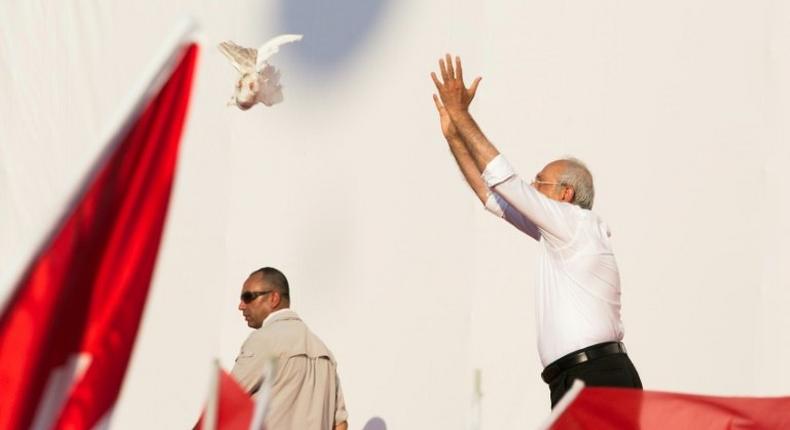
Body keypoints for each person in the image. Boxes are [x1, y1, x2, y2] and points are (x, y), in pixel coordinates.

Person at [431, 54, 642, 408]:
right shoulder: (562, 237)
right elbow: (492, 196)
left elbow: (508, 182)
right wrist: (454, 135)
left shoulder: (575, 222)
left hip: (597, 377)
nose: (532, 186)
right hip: (575, 380)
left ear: (565, 194)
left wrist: (464, 116)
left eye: (539, 182)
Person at [231, 267, 349, 429]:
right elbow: (340, 424)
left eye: (248, 297)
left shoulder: (263, 340)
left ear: (274, 298)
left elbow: (224, 403)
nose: (241, 306)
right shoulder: (325, 354)